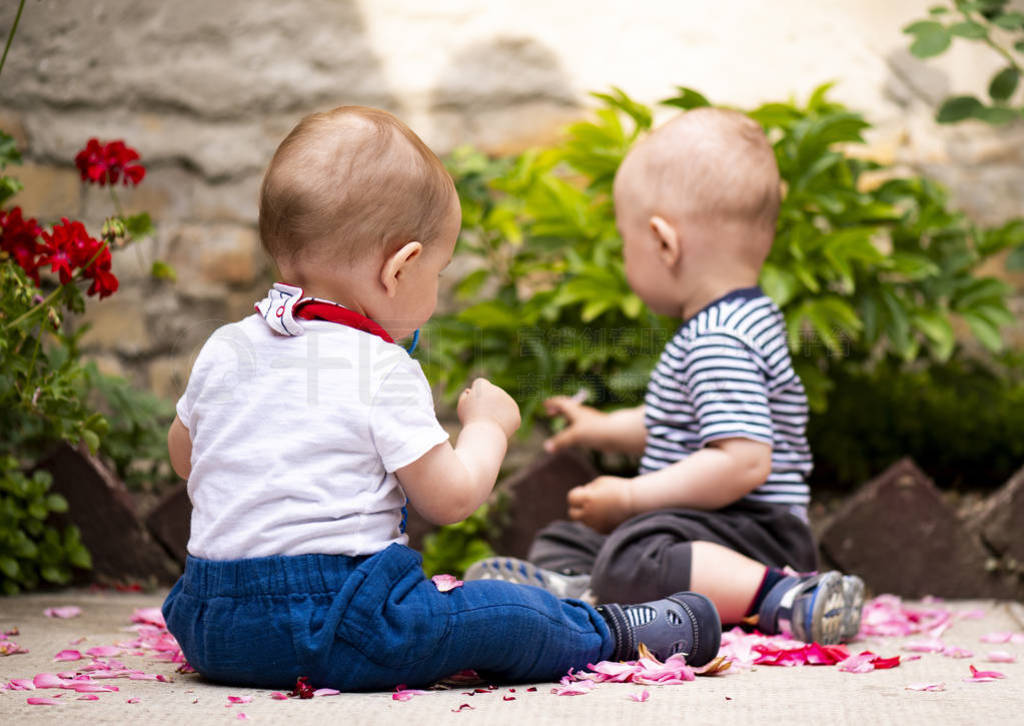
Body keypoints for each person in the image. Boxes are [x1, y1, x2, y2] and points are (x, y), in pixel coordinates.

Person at [161, 106, 721, 692]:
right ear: (400, 268)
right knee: (498, 615)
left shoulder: (227, 347)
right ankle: (613, 633)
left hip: (211, 623)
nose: (438, 289)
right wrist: (488, 428)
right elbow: (450, 499)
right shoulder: (378, 364)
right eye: (440, 272)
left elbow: (186, 459)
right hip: (336, 621)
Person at [465, 107, 864, 645]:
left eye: (626, 244)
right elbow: (678, 423)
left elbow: (743, 460)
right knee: (572, 538)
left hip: (750, 533)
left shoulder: (717, 339)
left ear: (663, 243)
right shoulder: (744, 318)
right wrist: (600, 427)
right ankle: (586, 584)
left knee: (634, 551)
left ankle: (785, 598)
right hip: (710, 527)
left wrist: (633, 498)